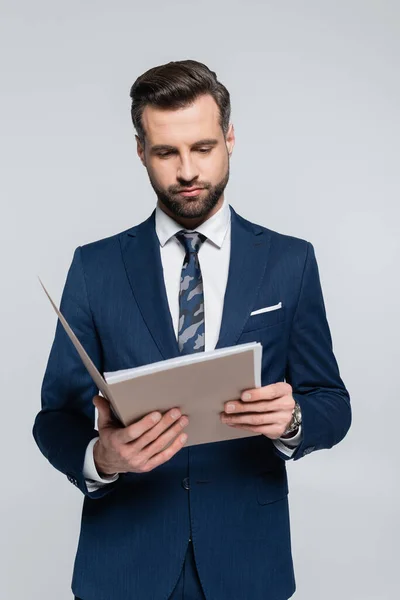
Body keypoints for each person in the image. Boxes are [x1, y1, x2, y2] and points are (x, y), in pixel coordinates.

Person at [33, 59, 352, 600]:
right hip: (124, 565)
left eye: (202, 148)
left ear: (230, 139)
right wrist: (102, 458)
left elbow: (332, 402)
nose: (186, 171)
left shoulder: (290, 262)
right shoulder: (94, 267)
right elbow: (54, 418)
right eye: (165, 152)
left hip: (248, 562)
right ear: (140, 151)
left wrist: (293, 418)